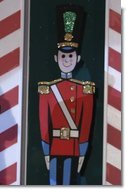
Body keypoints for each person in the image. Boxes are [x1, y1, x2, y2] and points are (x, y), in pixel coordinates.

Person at [38, 4, 95, 185]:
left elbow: (85, 123)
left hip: (73, 146)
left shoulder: (84, 89)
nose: (67, 60)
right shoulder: (47, 89)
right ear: (57, 58)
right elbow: (44, 122)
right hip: (55, 145)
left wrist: (82, 149)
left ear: (77, 59)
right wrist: (46, 149)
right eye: (63, 56)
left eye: (70, 57)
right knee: (54, 183)